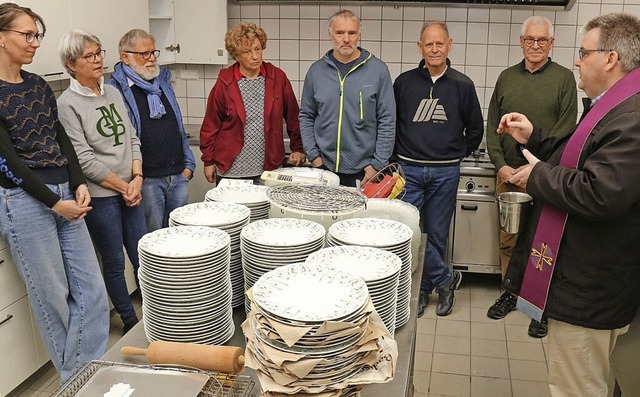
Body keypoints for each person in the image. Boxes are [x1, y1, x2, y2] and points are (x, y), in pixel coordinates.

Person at [497, 13, 640, 396]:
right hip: (592, 282)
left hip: (591, 288)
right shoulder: (612, 104)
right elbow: (577, 161)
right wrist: (535, 138)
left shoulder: (632, 116)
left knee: (576, 388)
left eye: (583, 52)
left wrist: (536, 177)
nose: (577, 60)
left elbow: (600, 191)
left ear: (610, 58)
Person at [0, 3, 109, 382]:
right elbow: (9, 162)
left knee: (93, 293)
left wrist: (77, 182)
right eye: (27, 35)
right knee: (54, 301)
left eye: (37, 35)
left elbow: (60, 138)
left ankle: (77, 379)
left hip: (64, 191)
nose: (34, 43)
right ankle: (82, 380)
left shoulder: (37, 85)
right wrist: (54, 202)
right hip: (24, 202)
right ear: (1, 38)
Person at [485, 15, 578, 337]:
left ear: (551, 43)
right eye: (529, 40)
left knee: (547, 242)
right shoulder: (506, 78)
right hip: (509, 174)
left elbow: (565, 132)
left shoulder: (565, 79)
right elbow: (492, 128)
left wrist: (539, 169)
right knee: (509, 239)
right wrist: (501, 165)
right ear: (520, 41)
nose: (535, 46)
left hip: (548, 177)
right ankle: (509, 293)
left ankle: (543, 308)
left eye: (542, 40)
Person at [57, 30, 147, 335]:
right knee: (112, 260)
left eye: (99, 53)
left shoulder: (112, 92)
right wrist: (124, 187)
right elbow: (82, 159)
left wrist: (137, 177)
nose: (98, 60)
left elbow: (132, 137)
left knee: (140, 254)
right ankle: (128, 318)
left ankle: (151, 311)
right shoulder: (67, 104)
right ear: (71, 64)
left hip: (130, 188)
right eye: (89, 56)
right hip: (102, 196)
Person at [394, 21, 483, 317]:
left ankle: (426, 290)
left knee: (437, 234)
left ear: (449, 45)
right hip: (410, 171)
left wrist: (457, 153)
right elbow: (393, 124)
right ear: (420, 47)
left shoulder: (462, 84)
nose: (434, 49)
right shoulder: (404, 83)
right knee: (412, 232)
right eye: (428, 44)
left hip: (446, 172)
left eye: (439, 43)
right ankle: (442, 283)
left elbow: (475, 129)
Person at [108, 29, 195, 231]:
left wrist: (188, 167)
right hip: (147, 181)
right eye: (144, 54)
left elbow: (177, 124)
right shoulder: (115, 89)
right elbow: (124, 140)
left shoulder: (162, 81)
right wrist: (138, 177)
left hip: (178, 175)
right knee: (153, 242)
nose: (151, 59)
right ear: (125, 57)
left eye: (153, 52)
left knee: (180, 237)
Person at [299, 9, 395, 187]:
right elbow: (306, 115)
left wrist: (377, 164)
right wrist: (314, 157)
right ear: (330, 35)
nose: (346, 39)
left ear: (359, 35)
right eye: (339, 33)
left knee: (358, 215)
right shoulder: (316, 71)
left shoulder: (378, 71)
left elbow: (387, 120)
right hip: (324, 169)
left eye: (352, 33)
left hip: (364, 172)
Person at [200, 22, 305, 184]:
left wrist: (297, 148)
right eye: (247, 52)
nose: (255, 56)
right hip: (231, 170)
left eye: (258, 49)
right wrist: (208, 161)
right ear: (236, 55)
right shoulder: (225, 82)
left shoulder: (277, 78)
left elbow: (293, 117)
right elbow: (210, 125)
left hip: (268, 169)